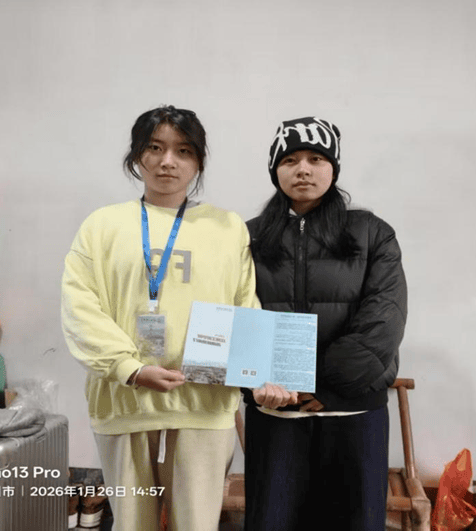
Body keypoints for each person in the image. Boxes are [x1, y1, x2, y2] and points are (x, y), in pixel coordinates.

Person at [61, 105, 258, 531]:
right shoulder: (102, 225)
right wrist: (129, 369)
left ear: (198, 162)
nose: (168, 161)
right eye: (155, 148)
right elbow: (80, 307)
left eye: (183, 151)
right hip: (125, 402)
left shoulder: (228, 228)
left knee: (197, 524)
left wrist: (261, 373)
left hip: (203, 406)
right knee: (132, 524)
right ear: (137, 156)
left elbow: (246, 307)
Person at [244, 116, 408, 531]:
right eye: (290, 160)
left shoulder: (372, 233)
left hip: (354, 413)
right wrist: (254, 383)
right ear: (275, 170)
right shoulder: (249, 237)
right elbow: (237, 313)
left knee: (354, 522)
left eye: (316, 159)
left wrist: (323, 385)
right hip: (277, 412)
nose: (303, 169)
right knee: (272, 521)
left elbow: (384, 318)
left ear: (333, 167)